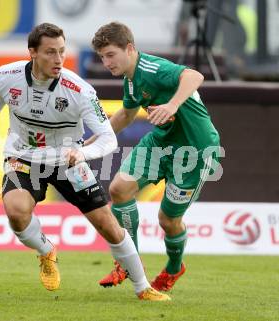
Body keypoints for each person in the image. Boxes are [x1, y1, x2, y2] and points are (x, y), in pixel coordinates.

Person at [0, 22, 170, 301]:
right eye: (50, 52)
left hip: (68, 160)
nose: (58, 59)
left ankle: (143, 287)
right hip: (23, 156)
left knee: (106, 223)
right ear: (32, 53)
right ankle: (46, 250)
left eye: (61, 51)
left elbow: (108, 139)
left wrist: (82, 153)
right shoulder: (7, 76)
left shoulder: (79, 90)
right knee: (15, 210)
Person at [90, 22, 221, 291]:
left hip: (194, 150)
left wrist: (172, 104)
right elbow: (126, 115)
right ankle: (129, 264)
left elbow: (195, 76)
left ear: (129, 48)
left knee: (168, 220)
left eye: (110, 55)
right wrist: (93, 142)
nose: (106, 63)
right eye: (102, 57)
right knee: (119, 189)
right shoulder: (130, 79)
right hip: (161, 142)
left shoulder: (153, 69)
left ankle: (175, 267)